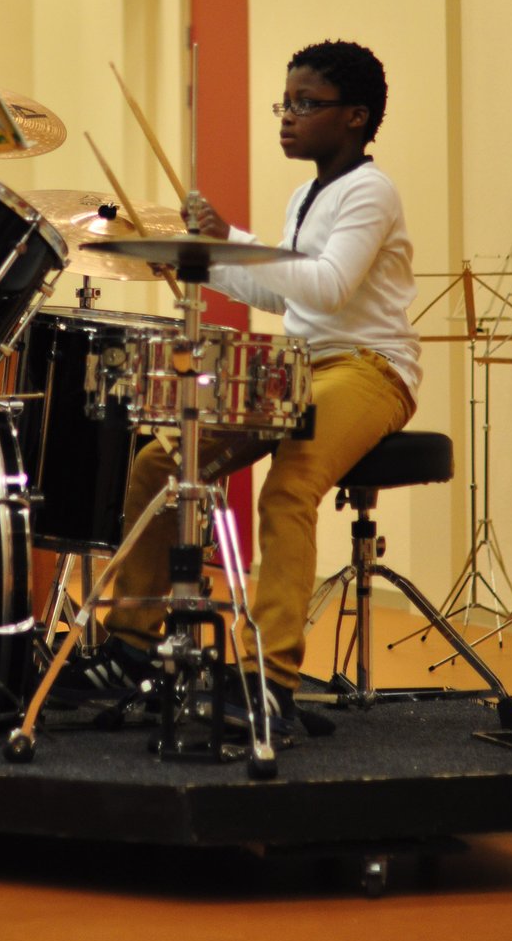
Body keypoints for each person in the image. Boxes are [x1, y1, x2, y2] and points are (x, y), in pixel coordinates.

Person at [64, 40, 421, 742]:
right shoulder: (304, 195)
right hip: (300, 364)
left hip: (369, 368)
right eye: (284, 103)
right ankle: (133, 646)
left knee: (289, 489)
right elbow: (280, 293)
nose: (287, 116)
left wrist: (235, 236)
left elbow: (328, 286)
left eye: (304, 104)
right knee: (161, 464)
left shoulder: (370, 191)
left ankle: (272, 680)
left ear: (355, 117)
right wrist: (204, 258)